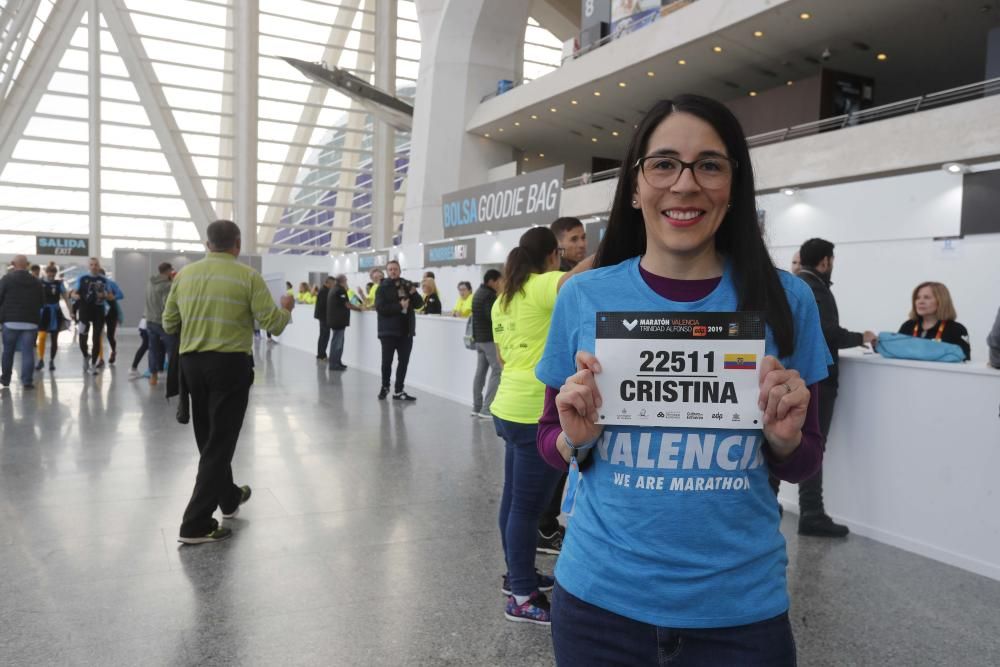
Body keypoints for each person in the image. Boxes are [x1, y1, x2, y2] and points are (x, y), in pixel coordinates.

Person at [534, 95, 830, 662]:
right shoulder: (584, 296)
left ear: (734, 186)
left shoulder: (788, 299)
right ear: (635, 185)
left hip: (740, 611)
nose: (685, 184)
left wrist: (785, 438)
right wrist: (576, 438)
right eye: (664, 163)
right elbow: (550, 442)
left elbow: (805, 458)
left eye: (710, 165)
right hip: (599, 606)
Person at [162, 220, 295, 544]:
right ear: (237, 244)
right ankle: (195, 523)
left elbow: (168, 323)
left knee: (209, 437)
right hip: (229, 365)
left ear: (207, 245)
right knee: (220, 442)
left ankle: (230, 498)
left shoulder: (185, 276)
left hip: (192, 365)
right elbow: (272, 325)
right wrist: (286, 309)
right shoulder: (248, 276)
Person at [490, 227, 581, 626]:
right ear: (551, 255)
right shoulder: (543, 284)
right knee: (527, 508)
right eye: (564, 250)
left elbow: (504, 358)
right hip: (531, 413)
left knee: (514, 501)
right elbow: (581, 277)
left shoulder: (503, 299)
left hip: (507, 405)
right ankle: (523, 597)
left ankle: (518, 576)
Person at [793, 238, 875, 537]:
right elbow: (827, 332)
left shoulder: (796, 284)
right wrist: (860, 337)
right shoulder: (814, 288)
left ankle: (781, 505)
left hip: (802, 375)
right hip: (819, 379)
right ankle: (812, 512)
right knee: (814, 443)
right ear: (826, 261)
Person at [374, 259, 423, 401]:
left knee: (403, 362)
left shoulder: (407, 285)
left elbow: (419, 304)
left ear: (400, 270)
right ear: (387, 272)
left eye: (395, 269)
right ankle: (385, 386)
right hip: (388, 332)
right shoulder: (382, 288)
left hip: (406, 332)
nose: (393, 271)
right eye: (390, 269)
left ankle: (399, 390)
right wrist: (399, 307)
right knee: (386, 362)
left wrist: (413, 293)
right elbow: (380, 308)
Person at [0, 255, 44, 389]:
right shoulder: (36, 281)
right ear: (27, 265)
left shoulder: (6, 279)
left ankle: (6, 379)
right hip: (30, 322)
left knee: (8, 351)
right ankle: (27, 381)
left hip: (10, 322)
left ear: (13, 264)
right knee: (28, 352)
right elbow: (42, 302)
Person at [897, 282, 971, 360]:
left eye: (927, 297)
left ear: (941, 301)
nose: (920, 302)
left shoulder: (956, 329)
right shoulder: (908, 326)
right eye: (917, 298)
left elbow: (964, 360)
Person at [470, 270, 501, 418]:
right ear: (492, 281)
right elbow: (493, 316)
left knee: (480, 373)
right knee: (498, 370)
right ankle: (486, 408)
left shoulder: (478, 293)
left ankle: (477, 407)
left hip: (479, 340)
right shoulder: (489, 295)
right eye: (499, 281)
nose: (500, 284)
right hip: (489, 339)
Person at [72, 257, 110, 375]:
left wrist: (103, 294)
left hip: (98, 311)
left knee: (96, 338)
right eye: (92, 265)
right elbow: (73, 292)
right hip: (84, 311)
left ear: (99, 266)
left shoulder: (104, 280)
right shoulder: (82, 278)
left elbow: (109, 294)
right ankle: (85, 356)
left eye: (96, 265)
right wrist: (74, 295)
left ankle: (94, 364)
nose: (94, 267)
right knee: (82, 338)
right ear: (89, 266)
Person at [144, 262, 174, 386]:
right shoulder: (167, 285)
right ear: (168, 271)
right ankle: (173, 377)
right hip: (162, 322)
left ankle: (153, 376)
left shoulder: (150, 283)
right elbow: (167, 305)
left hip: (149, 320)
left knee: (153, 349)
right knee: (172, 349)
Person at [36, 264, 69, 372]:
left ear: (55, 273)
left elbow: (66, 298)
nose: (51, 274)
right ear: (46, 272)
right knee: (41, 336)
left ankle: (51, 360)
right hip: (43, 312)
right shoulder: (39, 282)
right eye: (49, 272)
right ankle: (40, 359)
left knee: (55, 339)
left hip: (56, 313)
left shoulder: (59, 283)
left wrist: (71, 312)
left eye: (53, 272)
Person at [327, 274, 362, 371]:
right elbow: (347, 304)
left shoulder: (334, 289)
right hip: (338, 321)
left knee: (338, 342)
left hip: (335, 320)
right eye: (346, 280)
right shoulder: (340, 290)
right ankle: (334, 364)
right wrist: (359, 309)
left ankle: (337, 362)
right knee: (337, 343)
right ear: (344, 281)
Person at [97, 268, 124, 366]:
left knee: (110, 335)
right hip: (99, 311)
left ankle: (113, 351)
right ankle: (100, 358)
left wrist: (112, 297)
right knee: (98, 335)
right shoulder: (92, 284)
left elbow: (121, 295)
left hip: (111, 312)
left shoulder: (111, 283)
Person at [314, 276, 335, 362]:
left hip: (323, 316)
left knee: (324, 335)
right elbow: (324, 304)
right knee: (324, 336)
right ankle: (321, 355)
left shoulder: (325, 290)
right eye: (333, 283)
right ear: (328, 283)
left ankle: (322, 354)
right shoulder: (324, 291)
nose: (334, 285)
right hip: (324, 317)